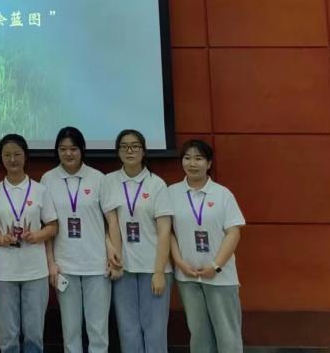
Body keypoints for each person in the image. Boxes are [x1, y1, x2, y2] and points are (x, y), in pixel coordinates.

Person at [41, 127, 122, 353]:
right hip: (65, 266)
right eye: (63, 149)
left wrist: (115, 258)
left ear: (82, 150)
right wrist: (51, 263)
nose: (68, 153)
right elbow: (48, 226)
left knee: (98, 331)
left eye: (73, 148)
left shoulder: (98, 178)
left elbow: (112, 221)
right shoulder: (48, 179)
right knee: (71, 332)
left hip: (97, 265)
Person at [168, 139, 245, 353]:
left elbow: (233, 232)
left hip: (220, 277)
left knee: (228, 336)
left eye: (199, 158)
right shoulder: (171, 193)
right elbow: (168, 232)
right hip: (188, 277)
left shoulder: (222, 194)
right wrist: (180, 262)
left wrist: (216, 265)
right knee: (199, 336)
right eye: (187, 158)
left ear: (209, 163)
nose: (192, 163)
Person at [103, 129, 173, 353]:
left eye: (135, 146)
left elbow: (165, 231)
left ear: (144, 151)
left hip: (153, 267)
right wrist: (114, 257)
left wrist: (159, 272)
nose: (129, 150)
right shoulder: (109, 181)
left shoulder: (156, 184)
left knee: (155, 330)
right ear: (118, 152)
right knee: (128, 330)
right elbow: (108, 223)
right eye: (124, 146)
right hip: (124, 268)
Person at [0, 134, 59, 353]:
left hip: (35, 271)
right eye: (7, 155)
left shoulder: (40, 190)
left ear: (26, 156)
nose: (12, 159)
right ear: (1, 158)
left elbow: (53, 226)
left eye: (17, 154)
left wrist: (36, 236)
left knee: (34, 335)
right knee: (8, 336)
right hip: (4, 272)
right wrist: (2, 239)